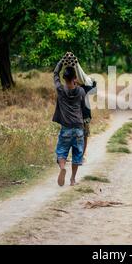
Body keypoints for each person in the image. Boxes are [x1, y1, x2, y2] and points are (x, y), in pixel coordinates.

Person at [52, 59, 86, 187]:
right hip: (78, 128)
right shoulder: (81, 91)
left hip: (66, 128)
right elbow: (83, 108)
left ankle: (62, 168)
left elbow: (55, 74)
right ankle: (72, 179)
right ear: (75, 78)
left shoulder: (60, 89)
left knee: (61, 151)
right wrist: (76, 64)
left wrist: (61, 61)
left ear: (64, 78)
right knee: (77, 154)